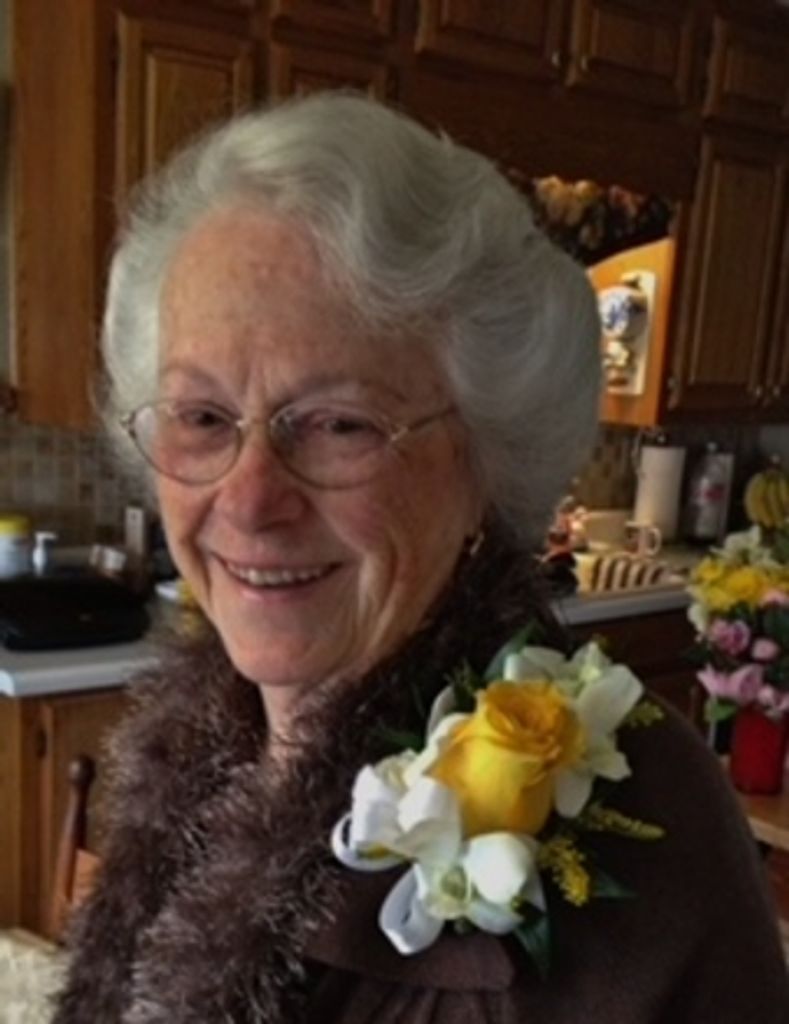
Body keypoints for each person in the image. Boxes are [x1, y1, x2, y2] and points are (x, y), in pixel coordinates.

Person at [53, 93, 788, 1023]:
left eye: (338, 425)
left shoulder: (641, 822)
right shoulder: (198, 748)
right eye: (202, 417)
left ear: (485, 452)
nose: (246, 501)